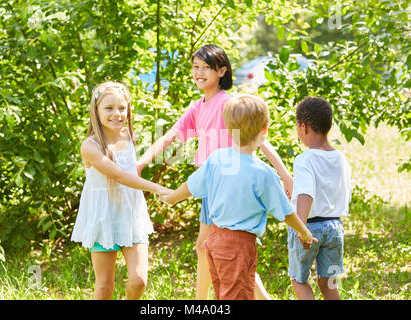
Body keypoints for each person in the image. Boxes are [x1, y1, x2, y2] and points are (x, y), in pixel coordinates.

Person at [137, 44, 292, 300]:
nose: (199, 72)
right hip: (213, 187)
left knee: (216, 249)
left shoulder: (229, 104)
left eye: (205, 68)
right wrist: (141, 163)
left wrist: (286, 176)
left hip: (229, 187)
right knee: (208, 248)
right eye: (195, 67)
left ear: (222, 71)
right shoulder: (198, 106)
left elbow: (261, 141)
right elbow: (170, 137)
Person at [160, 94, 317, 300]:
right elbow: (285, 212)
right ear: (264, 130)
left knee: (224, 294)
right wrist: (304, 232)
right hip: (238, 245)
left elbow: (191, 185)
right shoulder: (263, 173)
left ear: (227, 128)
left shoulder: (217, 159)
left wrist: (171, 198)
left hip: (214, 239)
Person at [71, 81, 172, 300]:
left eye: (122, 108)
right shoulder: (90, 146)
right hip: (103, 217)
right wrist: (159, 189)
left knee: (139, 281)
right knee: (105, 286)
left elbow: (131, 169)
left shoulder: (127, 135)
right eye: (109, 108)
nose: (117, 113)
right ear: (96, 111)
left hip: (131, 216)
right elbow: (119, 175)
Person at [288, 97, 351, 300]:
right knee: (328, 282)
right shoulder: (340, 158)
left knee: (299, 280)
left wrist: (301, 228)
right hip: (335, 228)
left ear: (303, 127)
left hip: (309, 228)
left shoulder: (305, 159)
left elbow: (306, 193)